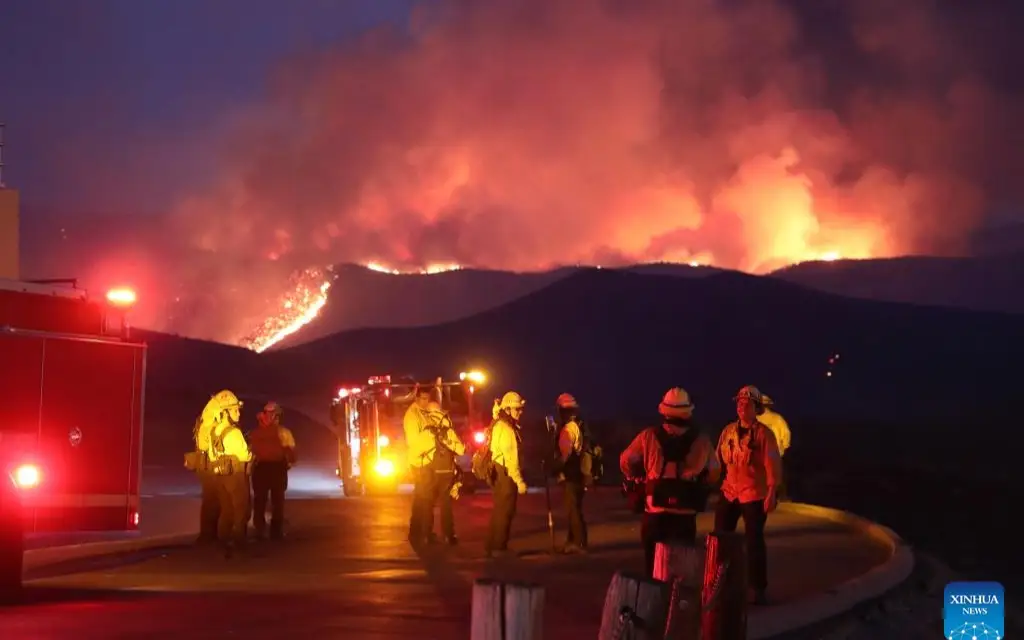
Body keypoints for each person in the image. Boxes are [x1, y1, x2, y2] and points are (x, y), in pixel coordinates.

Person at [620, 387, 715, 578]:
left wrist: (638, 476)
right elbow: (714, 471)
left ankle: (655, 602)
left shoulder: (648, 436)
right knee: (682, 567)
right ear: (688, 412)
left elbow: (625, 460)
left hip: (656, 511)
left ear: (663, 411)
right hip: (686, 512)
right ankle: (679, 603)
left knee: (653, 566)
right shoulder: (702, 440)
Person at [713, 385, 782, 605]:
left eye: (747, 403)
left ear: (756, 408)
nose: (741, 407)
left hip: (753, 493)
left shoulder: (764, 434)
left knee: (754, 542)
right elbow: (718, 459)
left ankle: (758, 588)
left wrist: (772, 492)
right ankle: (719, 582)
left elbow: (772, 463)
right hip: (730, 491)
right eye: (739, 403)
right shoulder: (728, 431)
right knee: (720, 538)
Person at [203, 390, 253, 558]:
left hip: (220, 477)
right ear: (225, 413)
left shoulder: (213, 432)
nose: (238, 413)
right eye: (234, 410)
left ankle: (223, 544)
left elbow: (210, 455)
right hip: (235, 476)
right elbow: (244, 455)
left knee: (226, 511)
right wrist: (252, 454)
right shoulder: (234, 433)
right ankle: (239, 544)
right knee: (241, 509)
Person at [486, 391, 528, 558]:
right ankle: (499, 548)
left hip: (498, 472)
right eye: (517, 409)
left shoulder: (498, 424)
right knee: (506, 511)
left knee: (499, 510)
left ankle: (491, 545)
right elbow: (512, 459)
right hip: (506, 475)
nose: (520, 412)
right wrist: (519, 481)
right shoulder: (507, 429)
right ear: (508, 410)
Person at [248, 401, 296, 540]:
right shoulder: (283, 433)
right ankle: (276, 532)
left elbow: (251, 452)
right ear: (277, 415)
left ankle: (259, 529)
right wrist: (289, 461)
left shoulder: (254, 433)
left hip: (260, 469)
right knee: (278, 501)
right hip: (277, 468)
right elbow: (291, 453)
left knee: (259, 500)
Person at [420, 401, 466, 545]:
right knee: (446, 505)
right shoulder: (448, 430)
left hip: (429, 471)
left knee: (428, 504)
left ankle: (426, 536)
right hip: (446, 471)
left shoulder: (425, 430)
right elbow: (461, 450)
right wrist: (450, 444)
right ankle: (448, 536)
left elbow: (417, 451)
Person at [555, 392, 588, 554]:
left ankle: (579, 542)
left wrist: (555, 467)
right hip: (578, 475)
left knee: (573, 510)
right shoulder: (578, 426)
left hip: (571, 475)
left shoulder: (568, 429)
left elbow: (565, 455)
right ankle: (572, 541)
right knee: (574, 509)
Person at [404, 386, 434, 546]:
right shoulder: (412, 416)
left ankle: (417, 532)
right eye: (423, 398)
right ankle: (423, 533)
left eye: (427, 399)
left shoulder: (423, 413)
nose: (425, 402)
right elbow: (414, 442)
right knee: (424, 498)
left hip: (426, 460)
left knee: (421, 499)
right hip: (420, 462)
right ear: (416, 399)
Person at [758, 394, 792, 499]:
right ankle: (778, 498)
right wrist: (782, 449)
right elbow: (786, 436)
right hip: (774, 453)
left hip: (759, 454)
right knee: (776, 477)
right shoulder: (778, 419)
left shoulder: (754, 420)